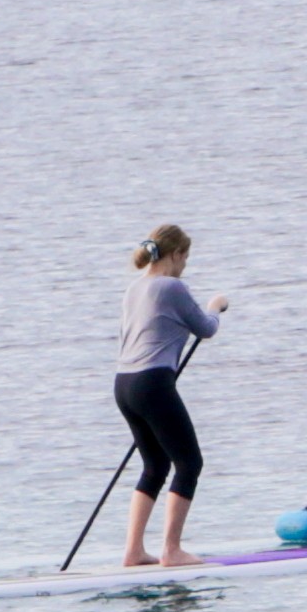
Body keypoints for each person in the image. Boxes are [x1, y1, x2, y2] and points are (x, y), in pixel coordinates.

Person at [114, 223, 228, 567]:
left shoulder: (135, 287)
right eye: (186, 257)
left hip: (124, 384)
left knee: (155, 464)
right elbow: (205, 329)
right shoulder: (172, 287)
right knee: (190, 463)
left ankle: (133, 551)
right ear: (176, 254)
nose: (185, 265)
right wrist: (216, 306)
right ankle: (172, 550)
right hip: (153, 383)